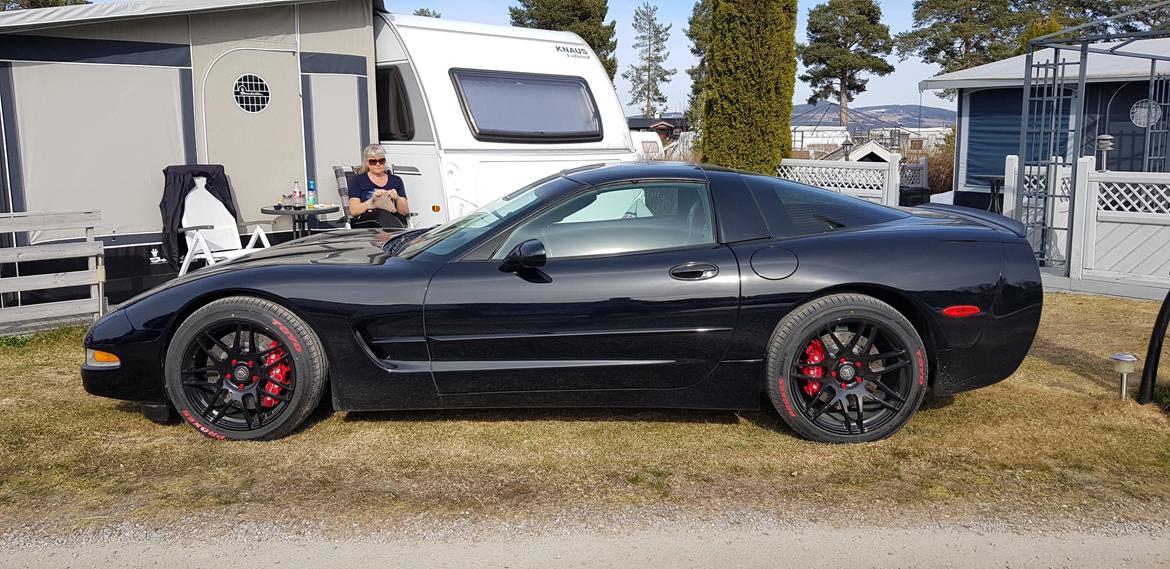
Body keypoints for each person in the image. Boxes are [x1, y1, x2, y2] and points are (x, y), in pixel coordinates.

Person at [349, 144, 410, 228]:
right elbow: (354, 211)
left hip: (393, 218)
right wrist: (372, 202)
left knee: (390, 216)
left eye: (381, 161)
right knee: (381, 214)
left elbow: (405, 212)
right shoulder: (359, 180)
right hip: (368, 220)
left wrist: (397, 198)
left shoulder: (396, 180)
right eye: (373, 161)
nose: (378, 164)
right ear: (367, 162)